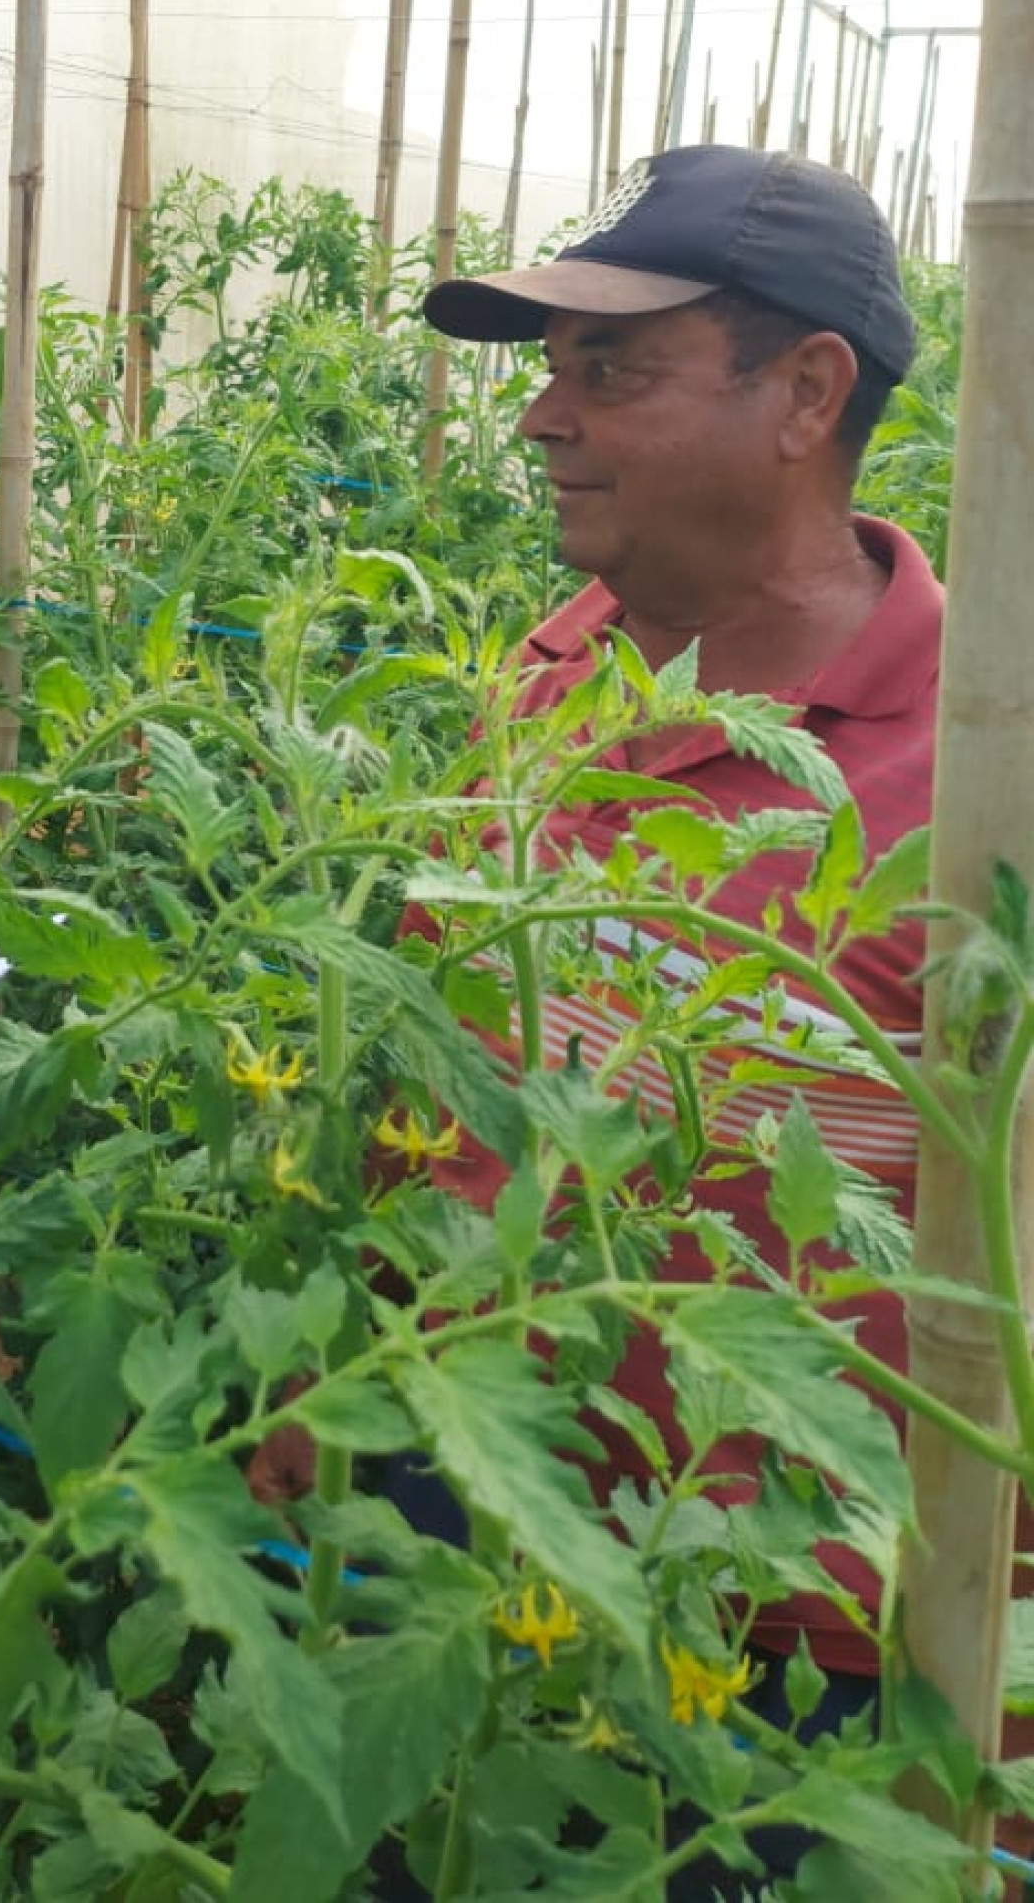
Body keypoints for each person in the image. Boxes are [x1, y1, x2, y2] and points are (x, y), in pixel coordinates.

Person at [416, 143, 955, 1892]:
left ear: (806, 393)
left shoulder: (986, 772)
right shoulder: (553, 669)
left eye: (611, 370)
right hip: (477, 1526)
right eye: (549, 372)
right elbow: (456, 1076)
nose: (541, 420)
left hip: (790, 1646)